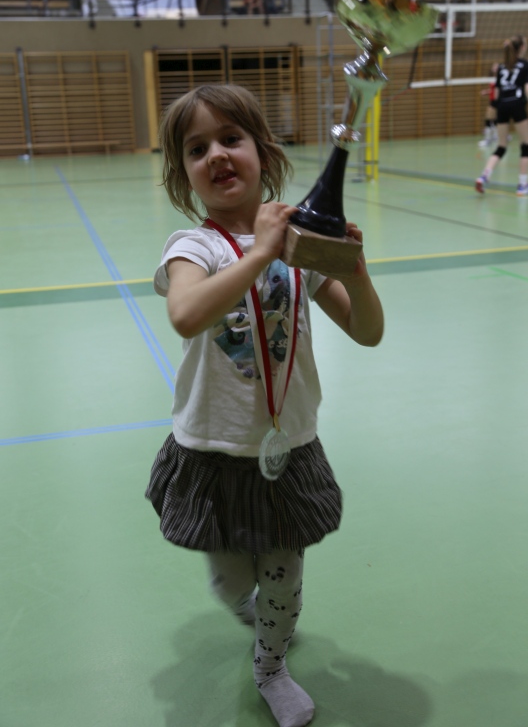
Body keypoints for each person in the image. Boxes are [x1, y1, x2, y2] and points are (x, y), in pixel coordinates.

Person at [145, 83, 384, 727]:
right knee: (231, 582)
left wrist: (356, 271)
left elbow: (366, 331)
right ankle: (245, 608)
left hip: (288, 448)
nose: (217, 155)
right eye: (198, 149)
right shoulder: (193, 248)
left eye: (231, 138)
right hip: (214, 451)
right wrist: (260, 252)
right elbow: (186, 313)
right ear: (184, 173)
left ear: (263, 151)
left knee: (284, 576)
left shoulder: (297, 243)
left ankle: (271, 668)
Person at [476, 35, 528, 196]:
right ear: (522, 48)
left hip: (502, 106)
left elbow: (496, 93)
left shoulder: (501, 67)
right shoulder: (527, 64)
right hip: (517, 104)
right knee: (525, 145)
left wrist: (495, 111)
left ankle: (484, 176)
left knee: (501, 146)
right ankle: (522, 185)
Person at [478, 62, 499, 147]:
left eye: (497, 67)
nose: (495, 68)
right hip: (493, 100)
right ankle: (495, 136)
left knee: (489, 119)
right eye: (494, 66)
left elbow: (499, 90)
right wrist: (486, 92)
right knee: (494, 120)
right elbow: (493, 90)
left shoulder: (499, 78)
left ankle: (488, 140)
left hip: (496, 101)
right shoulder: (492, 78)